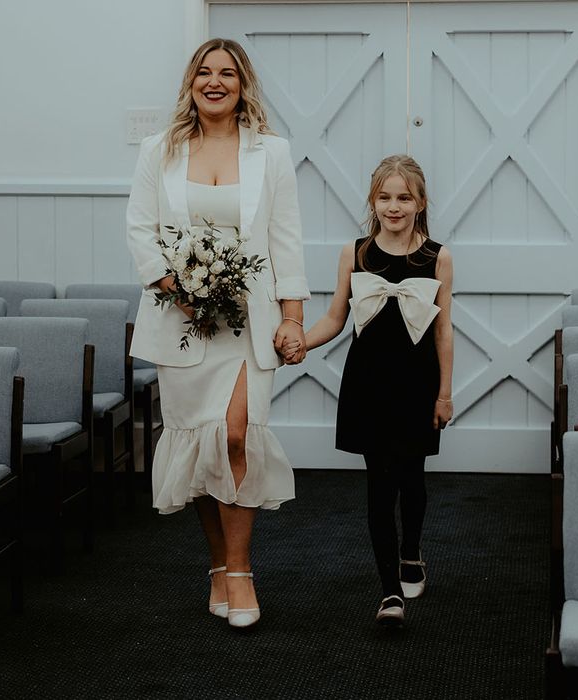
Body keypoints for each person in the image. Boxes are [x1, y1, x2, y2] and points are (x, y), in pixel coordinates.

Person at [126, 38, 309, 629]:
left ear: (242, 84)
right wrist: (180, 289)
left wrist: (292, 316)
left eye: (226, 73)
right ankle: (217, 564)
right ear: (191, 83)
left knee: (235, 434)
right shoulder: (161, 149)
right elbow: (140, 228)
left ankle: (241, 569)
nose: (215, 81)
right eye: (204, 72)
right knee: (197, 440)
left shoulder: (272, 153)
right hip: (181, 321)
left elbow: (286, 239)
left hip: (247, 321)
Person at [284, 155, 453, 626]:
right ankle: (389, 594)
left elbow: (444, 331)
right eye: (384, 197)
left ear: (420, 202)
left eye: (404, 197)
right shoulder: (354, 253)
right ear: (372, 202)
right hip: (369, 383)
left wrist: (445, 392)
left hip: (417, 384)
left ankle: (412, 551)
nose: (393, 206)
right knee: (379, 485)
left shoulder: (437, 256)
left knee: (412, 479)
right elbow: (336, 318)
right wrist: (300, 341)